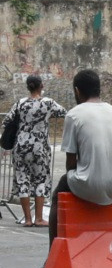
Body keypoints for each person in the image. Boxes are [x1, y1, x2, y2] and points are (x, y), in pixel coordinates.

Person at [40, 69, 112, 268]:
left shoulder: (74, 115)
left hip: (91, 185)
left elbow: (71, 163)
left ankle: (52, 257)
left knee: (59, 192)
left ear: (77, 91)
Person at [3, 75, 66, 227]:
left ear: (28, 87)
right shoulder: (48, 103)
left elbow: (7, 121)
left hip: (21, 145)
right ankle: (39, 218)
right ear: (41, 86)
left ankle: (28, 219)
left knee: (22, 178)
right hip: (39, 147)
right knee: (40, 180)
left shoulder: (20, 103)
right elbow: (65, 113)